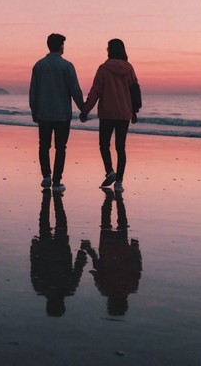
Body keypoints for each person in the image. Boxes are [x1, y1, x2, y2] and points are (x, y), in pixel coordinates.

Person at [80, 38, 141, 192]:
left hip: (107, 113)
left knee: (104, 145)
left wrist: (85, 110)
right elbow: (134, 92)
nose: (106, 50)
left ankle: (110, 171)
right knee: (121, 148)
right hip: (124, 114)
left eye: (107, 48)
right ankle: (119, 182)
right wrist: (134, 112)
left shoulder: (103, 69)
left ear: (110, 50)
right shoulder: (129, 68)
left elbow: (95, 92)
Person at [29, 33, 85, 191]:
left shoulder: (39, 65)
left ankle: (46, 177)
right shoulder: (67, 66)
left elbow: (33, 91)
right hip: (62, 114)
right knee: (61, 148)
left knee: (44, 146)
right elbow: (75, 90)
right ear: (61, 46)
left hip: (44, 113)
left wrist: (34, 110)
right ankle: (56, 181)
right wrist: (83, 109)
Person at [81, 190, 142, 316]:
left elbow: (137, 265)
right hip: (107, 246)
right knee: (106, 221)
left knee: (122, 222)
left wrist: (135, 247)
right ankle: (109, 199)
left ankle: (117, 200)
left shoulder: (131, 287)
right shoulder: (106, 289)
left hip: (120, 246)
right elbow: (97, 267)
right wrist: (89, 250)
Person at [30, 189, 87, 316]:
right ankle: (52, 198)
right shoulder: (41, 287)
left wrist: (82, 252)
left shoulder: (66, 288)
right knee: (45, 219)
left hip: (59, 251)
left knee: (60, 219)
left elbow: (78, 267)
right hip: (51, 250)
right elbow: (34, 264)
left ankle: (55, 198)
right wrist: (34, 248)